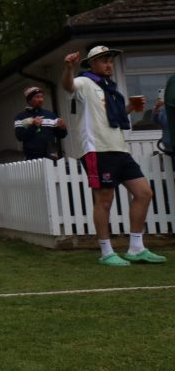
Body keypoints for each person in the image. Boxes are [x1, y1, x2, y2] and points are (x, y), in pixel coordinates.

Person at [62, 46, 166, 266]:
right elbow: (68, 86)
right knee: (104, 200)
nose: (109, 64)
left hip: (119, 148)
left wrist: (130, 107)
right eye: (103, 60)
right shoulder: (84, 82)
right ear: (92, 64)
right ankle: (106, 251)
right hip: (97, 150)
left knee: (144, 193)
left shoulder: (111, 87)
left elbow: (113, 117)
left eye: (110, 60)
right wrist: (69, 69)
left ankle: (136, 248)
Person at [13, 87, 67, 160]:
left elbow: (61, 135)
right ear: (29, 100)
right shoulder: (21, 117)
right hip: (32, 158)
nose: (41, 99)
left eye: (41, 97)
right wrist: (34, 126)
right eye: (37, 97)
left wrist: (62, 128)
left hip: (51, 156)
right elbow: (19, 136)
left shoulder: (51, 115)